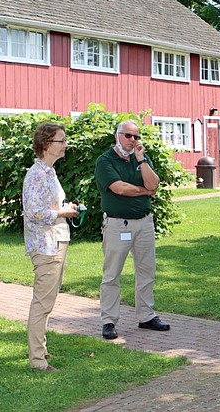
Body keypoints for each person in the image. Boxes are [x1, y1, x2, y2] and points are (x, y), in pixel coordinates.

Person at [95, 120, 170, 340]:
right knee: (112, 274)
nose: (133, 140)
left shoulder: (141, 158)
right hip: (118, 224)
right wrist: (144, 191)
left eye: (136, 137)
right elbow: (119, 188)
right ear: (117, 135)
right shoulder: (105, 161)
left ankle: (146, 316)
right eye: (128, 136)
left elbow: (154, 184)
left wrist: (141, 160)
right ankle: (109, 320)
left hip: (144, 223)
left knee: (147, 271)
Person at [23, 122, 79, 371]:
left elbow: (48, 205)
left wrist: (65, 208)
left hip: (55, 241)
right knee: (42, 303)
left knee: (48, 301)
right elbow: (33, 212)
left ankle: (41, 350)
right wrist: (63, 212)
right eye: (61, 140)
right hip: (45, 246)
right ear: (46, 144)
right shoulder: (36, 174)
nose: (65, 144)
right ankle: (37, 361)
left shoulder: (49, 172)